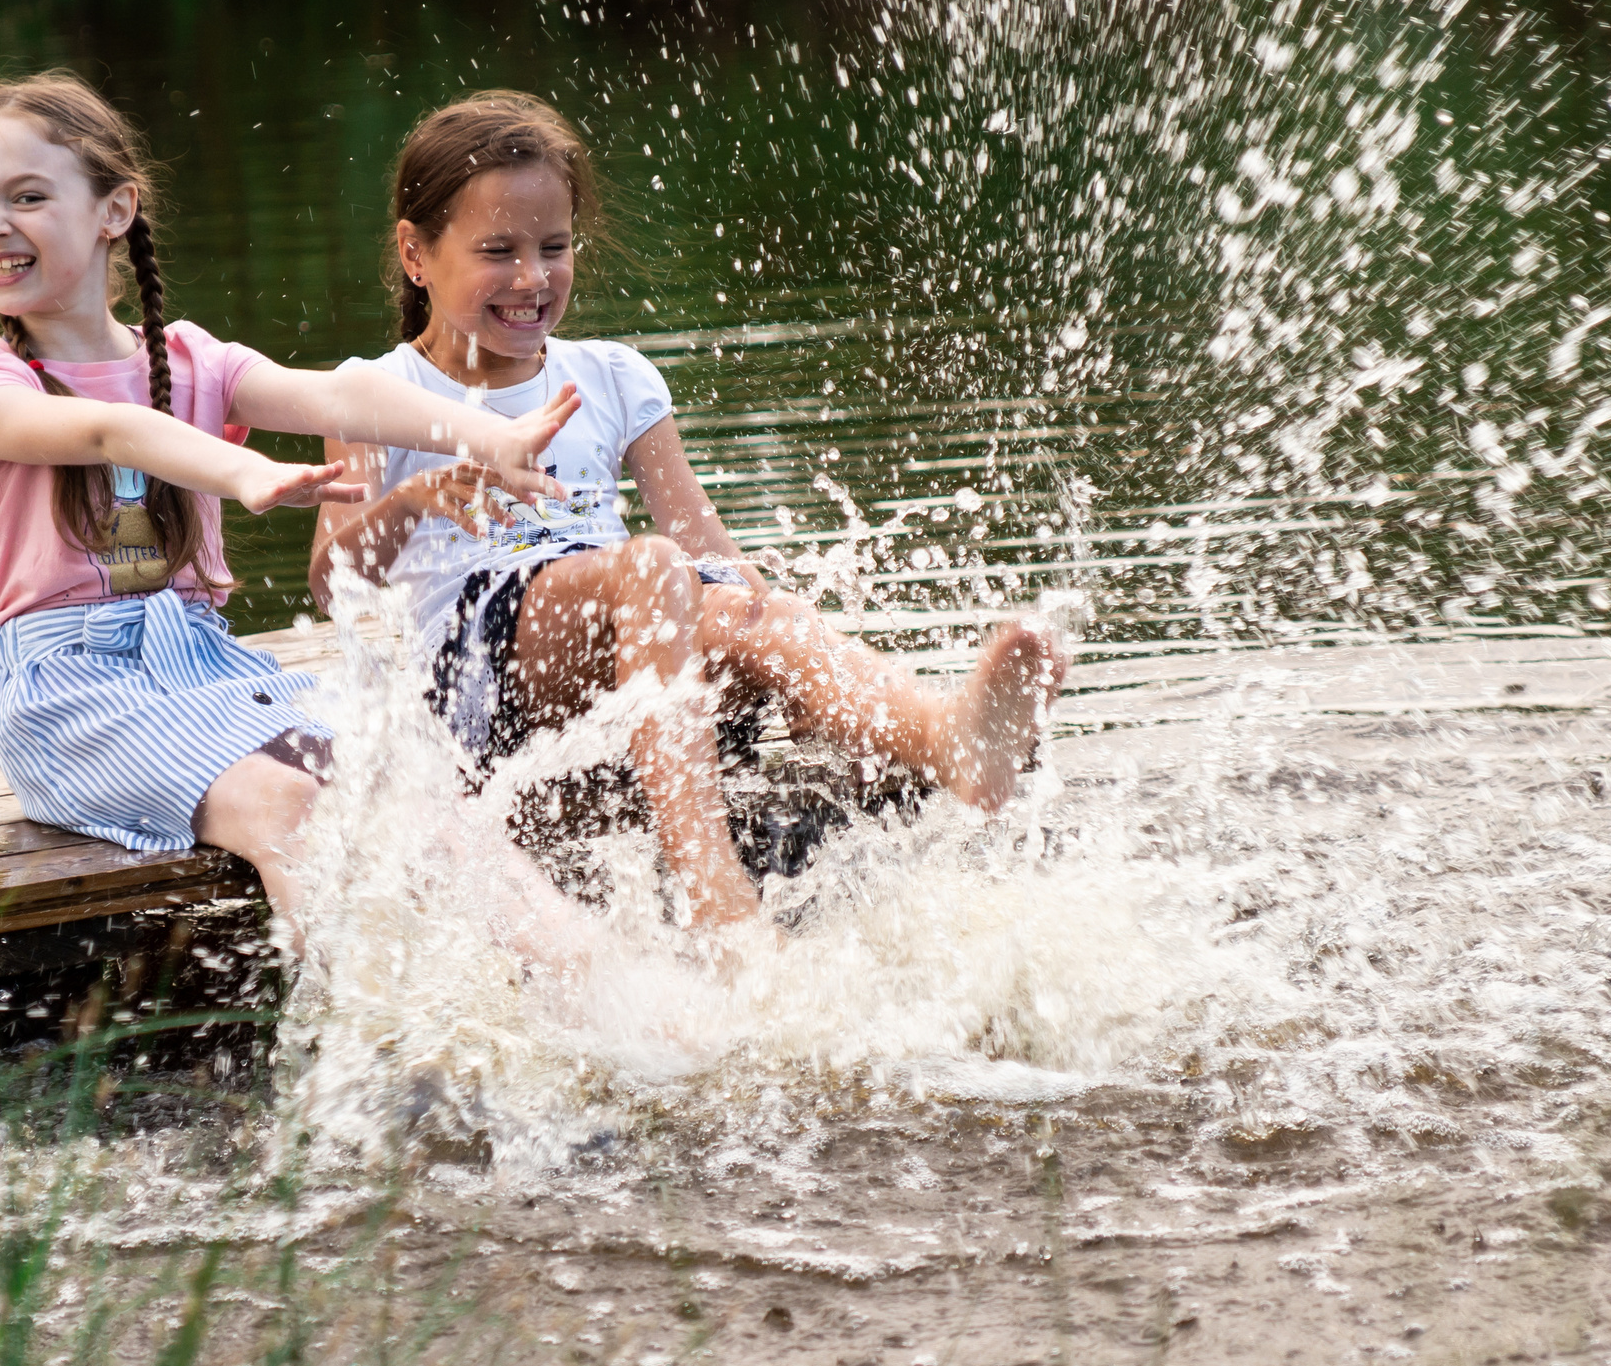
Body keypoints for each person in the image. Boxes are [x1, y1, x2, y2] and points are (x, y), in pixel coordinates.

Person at [308, 90, 1069, 933]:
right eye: (499, 251)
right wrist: (416, 500)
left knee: (753, 604)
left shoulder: (613, 376)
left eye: (553, 247)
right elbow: (330, 579)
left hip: (639, 650)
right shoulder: (378, 392)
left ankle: (950, 742)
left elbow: (708, 547)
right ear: (417, 254)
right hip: (484, 680)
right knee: (653, 567)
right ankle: (711, 880)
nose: (533, 278)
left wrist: (769, 636)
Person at [0, 71, 584, 953]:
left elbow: (338, 394)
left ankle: (597, 998)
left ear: (114, 211)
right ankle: (376, 1056)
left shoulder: (193, 360)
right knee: (291, 802)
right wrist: (242, 470)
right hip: (71, 698)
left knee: (413, 779)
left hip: (204, 665)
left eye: (27, 197)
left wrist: (481, 435)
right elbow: (109, 430)